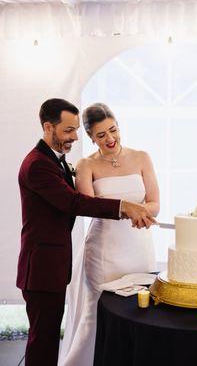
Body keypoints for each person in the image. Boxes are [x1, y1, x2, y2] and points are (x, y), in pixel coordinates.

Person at [16, 98, 157, 366]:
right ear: (48, 127)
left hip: (54, 264)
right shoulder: (38, 164)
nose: (74, 136)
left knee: (45, 338)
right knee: (42, 339)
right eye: (69, 130)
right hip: (42, 267)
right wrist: (125, 206)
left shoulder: (54, 160)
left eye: (76, 129)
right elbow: (74, 202)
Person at [58, 103, 160, 366]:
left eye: (113, 130)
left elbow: (154, 202)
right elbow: (89, 206)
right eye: (101, 135)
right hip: (105, 251)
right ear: (91, 137)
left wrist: (142, 212)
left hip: (139, 245)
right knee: (99, 311)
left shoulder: (141, 157)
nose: (110, 139)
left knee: (140, 309)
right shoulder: (85, 165)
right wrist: (129, 210)